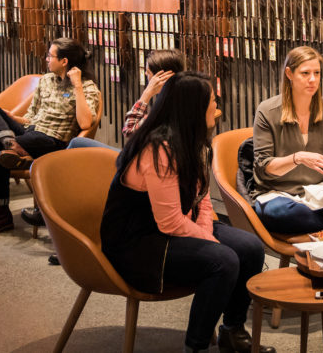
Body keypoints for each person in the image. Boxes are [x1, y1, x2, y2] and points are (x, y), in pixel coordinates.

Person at [100, 72, 274, 353]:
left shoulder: (193, 140)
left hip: (178, 225)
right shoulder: (160, 149)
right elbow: (169, 223)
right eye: (213, 102)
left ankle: (232, 329)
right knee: (224, 260)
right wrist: (210, 243)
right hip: (139, 242)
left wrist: (205, 233)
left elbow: (201, 198)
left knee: (251, 248)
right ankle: (195, 346)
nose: (218, 108)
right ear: (193, 108)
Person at [0, 37, 101, 236]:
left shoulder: (87, 87)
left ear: (64, 61)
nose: (47, 59)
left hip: (53, 140)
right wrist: (11, 118)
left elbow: (85, 123)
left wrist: (77, 86)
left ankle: (0, 213)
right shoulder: (46, 80)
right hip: (31, 132)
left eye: (51, 56)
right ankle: (10, 142)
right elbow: (31, 116)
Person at [250, 45, 323, 234]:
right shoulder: (267, 111)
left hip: (317, 188)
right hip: (276, 192)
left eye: (317, 73)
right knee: (293, 215)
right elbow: (264, 165)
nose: (312, 80)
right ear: (289, 74)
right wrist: (298, 157)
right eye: (305, 73)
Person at [65, 48, 184, 152]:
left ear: (161, 77)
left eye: (148, 73)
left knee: (77, 143)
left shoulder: (167, 105)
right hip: (141, 156)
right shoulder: (178, 97)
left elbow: (129, 130)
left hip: (138, 160)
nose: (147, 77)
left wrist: (146, 94)